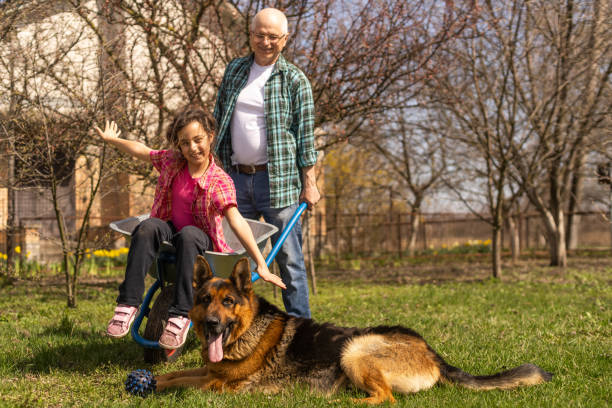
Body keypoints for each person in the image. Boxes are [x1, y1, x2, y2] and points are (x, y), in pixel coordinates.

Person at [94, 105, 286, 350]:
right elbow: (143, 151)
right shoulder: (172, 162)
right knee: (147, 226)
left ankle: (181, 314)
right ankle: (128, 304)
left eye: (198, 140)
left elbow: (236, 219)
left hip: (199, 241)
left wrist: (260, 262)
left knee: (188, 235)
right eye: (185, 143)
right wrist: (113, 140)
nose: (192, 148)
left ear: (210, 136)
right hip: (170, 231)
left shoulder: (219, 181)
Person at [213, 8, 320, 318]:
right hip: (235, 178)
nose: (265, 42)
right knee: (232, 260)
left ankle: (301, 329)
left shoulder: (295, 80)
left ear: (284, 40)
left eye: (273, 37)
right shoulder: (234, 70)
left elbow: (305, 134)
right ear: (251, 35)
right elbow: (219, 117)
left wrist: (309, 182)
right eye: (259, 35)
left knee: (289, 260)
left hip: (280, 183)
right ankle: (229, 325)